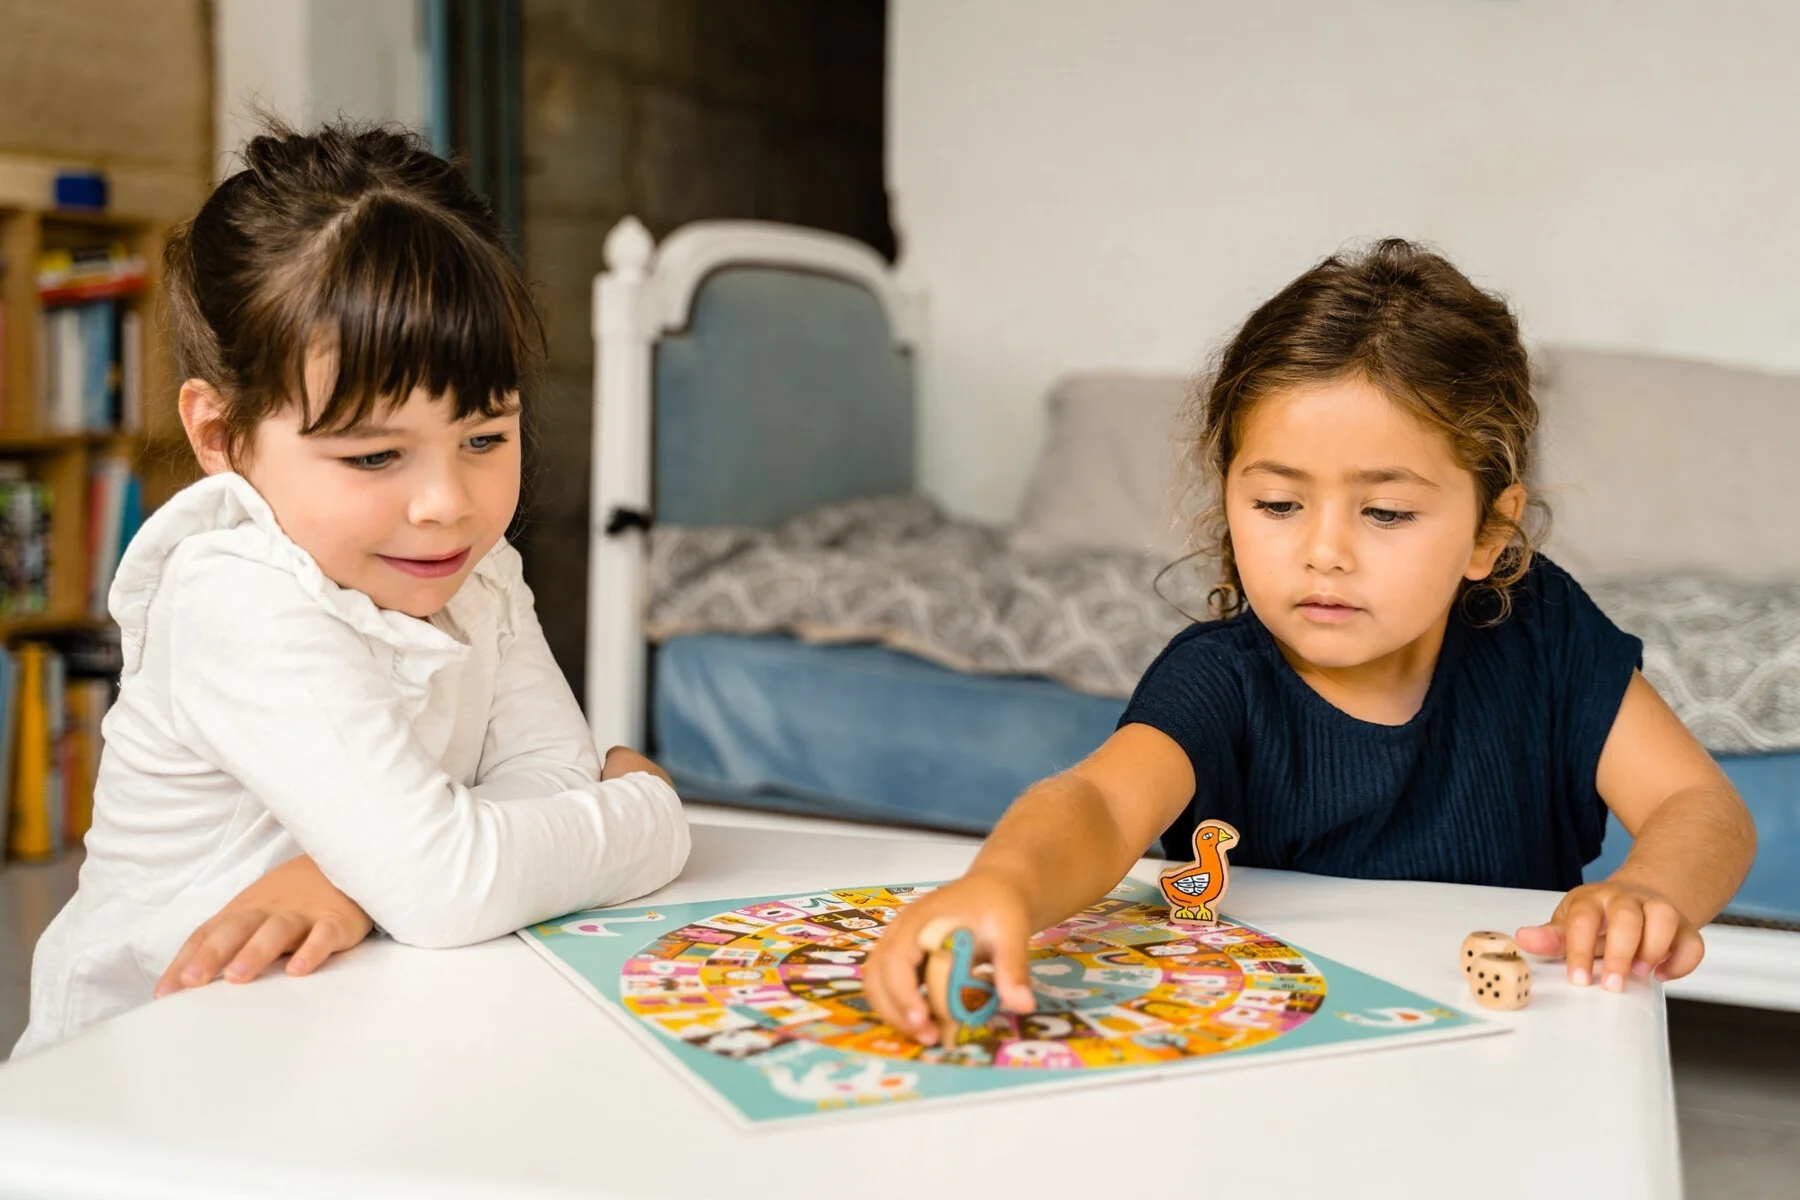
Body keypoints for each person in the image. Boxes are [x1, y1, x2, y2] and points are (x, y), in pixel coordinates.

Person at [864, 239, 1757, 1043]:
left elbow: (1698, 805)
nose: (1324, 551)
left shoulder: (1542, 627)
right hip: (1275, 1055)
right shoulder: (1221, 679)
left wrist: (1651, 891)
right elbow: (1096, 804)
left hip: (1510, 1050)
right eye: (1278, 503)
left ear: (1489, 531)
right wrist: (1004, 885)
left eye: (1386, 512)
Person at [12, 122, 688, 1058]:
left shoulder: (479, 571)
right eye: (374, 455)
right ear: (219, 437)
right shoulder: (235, 596)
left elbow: (553, 777)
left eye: (485, 438)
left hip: (352, 1024)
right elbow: (449, 886)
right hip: (152, 1067)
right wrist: (651, 813)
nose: (448, 504)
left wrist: (356, 882)